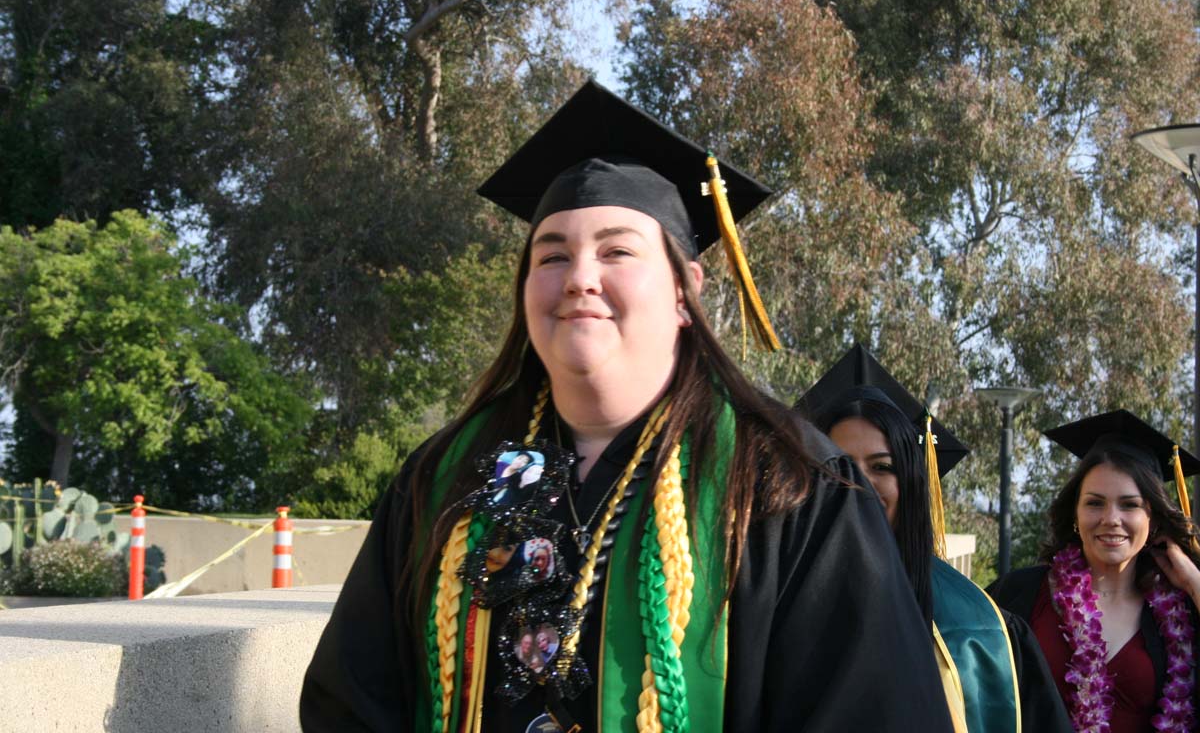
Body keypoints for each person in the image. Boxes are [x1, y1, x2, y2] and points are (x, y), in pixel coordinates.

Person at [300, 80, 953, 732]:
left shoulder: (790, 486)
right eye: (551, 255)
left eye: (616, 251)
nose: (580, 276)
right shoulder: (443, 481)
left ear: (683, 290)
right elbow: (351, 703)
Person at [798, 343, 1070, 733]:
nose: (858, 483)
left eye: (882, 466)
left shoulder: (980, 627)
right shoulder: (777, 603)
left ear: (911, 482)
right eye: (839, 466)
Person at [989, 410, 1200, 733]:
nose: (1111, 518)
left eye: (1129, 505)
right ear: (1075, 512)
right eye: (1094, 503)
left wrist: (1194, 583)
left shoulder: (1182, 609)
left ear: (1153, 519)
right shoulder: (1019, 594)